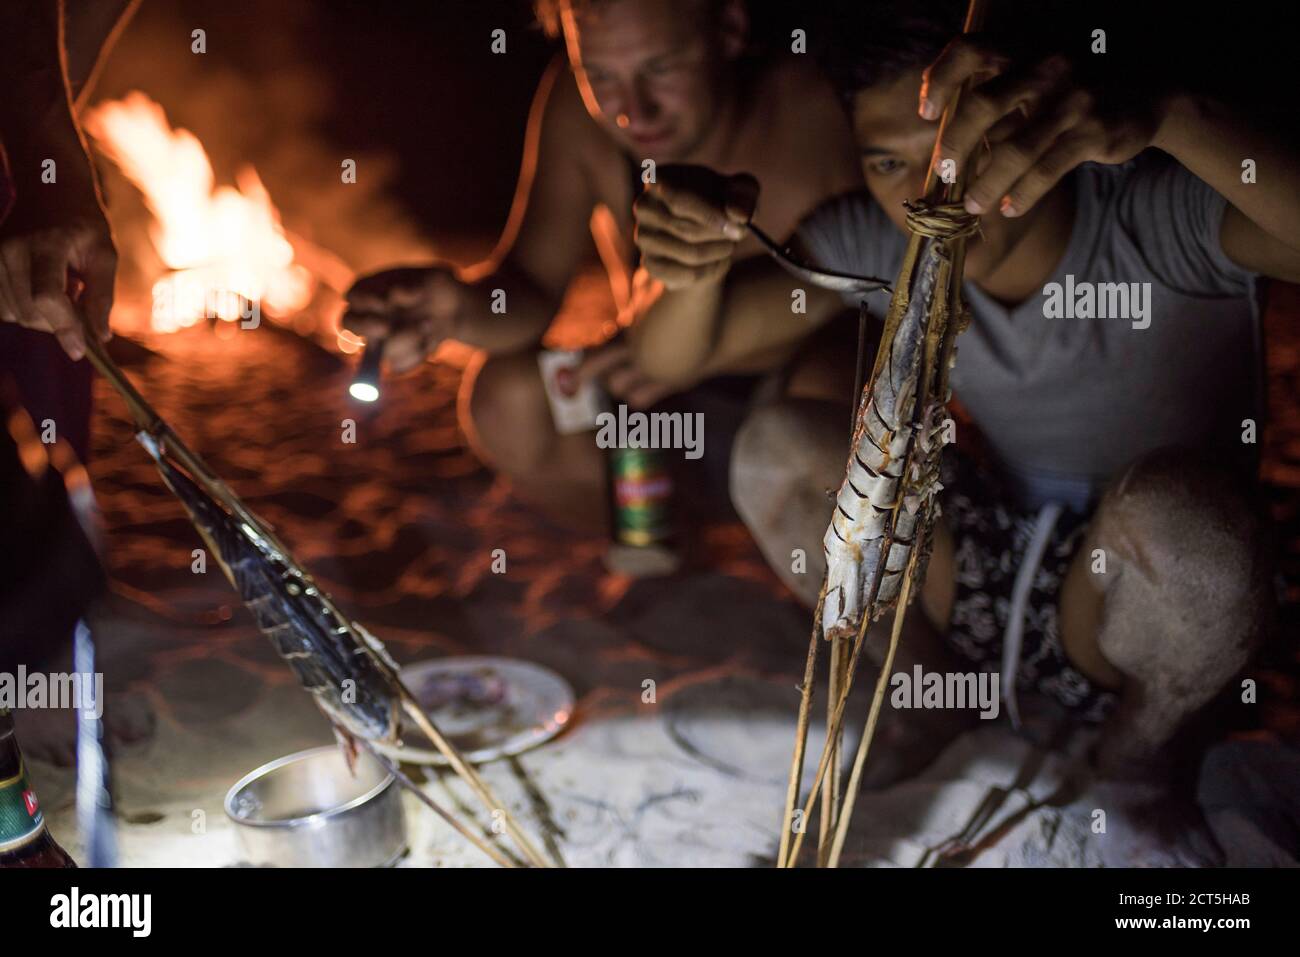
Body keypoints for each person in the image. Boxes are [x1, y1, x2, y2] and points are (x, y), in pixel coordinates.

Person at [627, 0, 1299, 776]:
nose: (931, 190)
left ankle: (1142, 764)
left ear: (1042, 125)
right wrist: (687, 260)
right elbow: (675, 354)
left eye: (967, 146)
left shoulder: (1153, 217)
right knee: (777, 447)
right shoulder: (884, 247)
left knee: (1185, 521)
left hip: (1144, 604)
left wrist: (1170, 114)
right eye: (886, 161)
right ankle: (925, 690)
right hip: (985, 568)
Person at [342, 0, 861, 531]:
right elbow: (531, 285)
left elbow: (875, 275)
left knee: (835, 390)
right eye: (600, 74)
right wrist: (455, 310)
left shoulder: (813, 104)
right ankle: (670, 554)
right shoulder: (575, 110)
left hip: (786, 382)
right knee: (505, 394)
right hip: (649, 405)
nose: (633, 111)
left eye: (660, 68)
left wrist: (686, 348)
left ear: (729, 28)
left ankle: (812, 560)